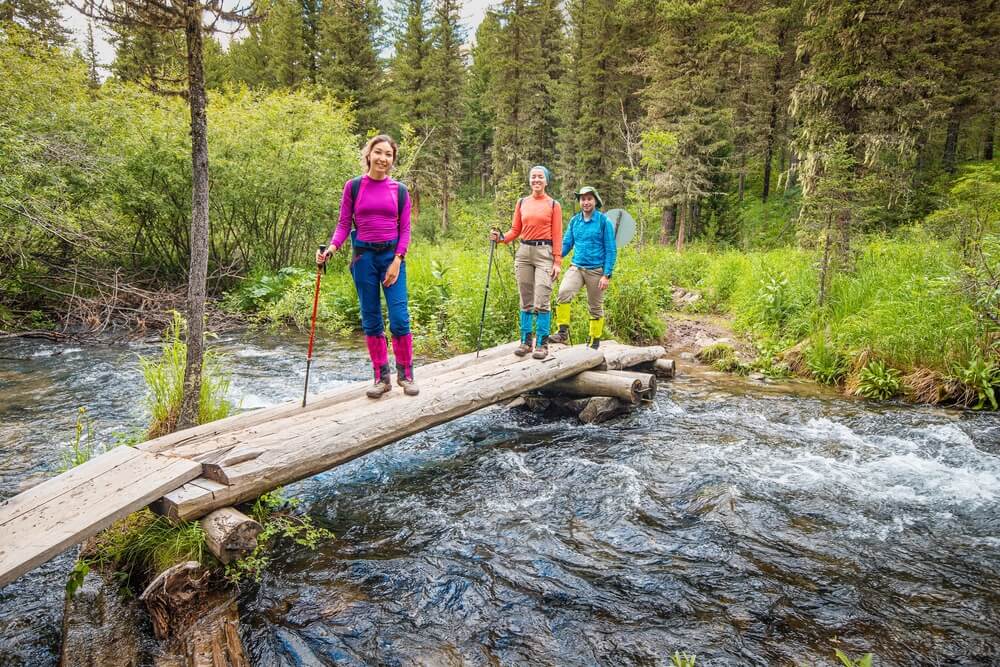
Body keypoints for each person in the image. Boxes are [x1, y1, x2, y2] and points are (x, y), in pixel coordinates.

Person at [316, 134, 418, 399]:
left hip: (391, 258)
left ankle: (406, 376)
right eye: (379, 152)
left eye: (389, 155)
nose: (383, 158)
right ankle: (381, 378)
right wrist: (331, 249)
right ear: (369, 154)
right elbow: (343, 224)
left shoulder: (400, 190)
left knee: (399, 317)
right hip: (363, 259)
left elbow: (405, 230)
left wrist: (397, 260)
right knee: (371, 317)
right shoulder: (353, 187)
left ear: (392, 160)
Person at [490, 165, 563, 359]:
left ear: (546, 181)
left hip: (544, 252)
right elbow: (515, 230)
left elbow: (557, 235)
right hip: (524, 252)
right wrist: (501, 238)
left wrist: (557, 261)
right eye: (533, 177)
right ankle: (525, 342)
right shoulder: (522, 202)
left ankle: (542, 344)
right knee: (526, 298)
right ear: (529, 180)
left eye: (540, 177)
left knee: (542, 298)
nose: (536, 180)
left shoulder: (554, 205)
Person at [549, 186, 616, 349]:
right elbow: (567, 244)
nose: (586, 202)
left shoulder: (603, 221)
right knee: (563, 292)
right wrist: (555, 258)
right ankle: (562, 332)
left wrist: (606, 275)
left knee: (595, 307)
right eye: (583, 199)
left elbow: (611, 249)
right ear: (579, 201)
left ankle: (594, 340)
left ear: (595, 201)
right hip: (577, 267)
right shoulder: (575, 221)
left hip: (597, 270)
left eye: (589, 199)